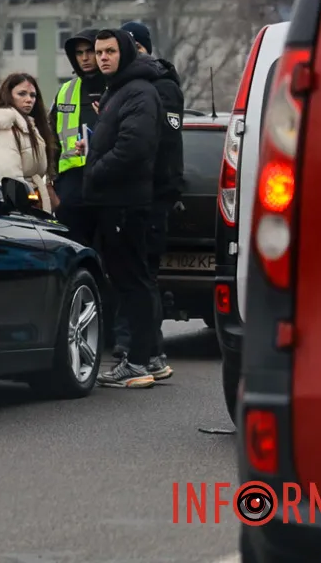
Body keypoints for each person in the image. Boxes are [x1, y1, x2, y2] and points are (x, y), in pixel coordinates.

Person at [78, 28, 164, 388]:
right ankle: (145, 360)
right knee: (132, 281)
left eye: (110, 51)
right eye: (99, 52)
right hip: (116, 200)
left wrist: (96, 169)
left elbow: (134, 146)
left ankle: (140, 362)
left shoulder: (139, 91)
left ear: (124, 52)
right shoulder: (120, 89)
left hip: (125, 203)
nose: (102, 58)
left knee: (133, 283)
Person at [115, 20, 184, 380]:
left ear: (139, 47)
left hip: (151, 196)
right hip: (145, 194)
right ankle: (146, 351)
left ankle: (144, 353)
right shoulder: (141, 85)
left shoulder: (160, 87)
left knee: (142, 276)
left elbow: (163, 147)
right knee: (138, 275)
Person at [0, 72, 58, 213]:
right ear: (8, 95)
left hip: (32, 206)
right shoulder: (3, 129)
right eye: (22, 94)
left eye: (33, 95)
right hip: (18, 212)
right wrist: (28, 204)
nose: (29, 100)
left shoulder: (29, 126)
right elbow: (9, 181)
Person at [49, 28, 106, 247]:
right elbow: (51, 136)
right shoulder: (66, 90)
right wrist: (52, 182)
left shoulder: (117, 88)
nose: (84, 58)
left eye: (89, 51)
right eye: (79, 53)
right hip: (71, 186)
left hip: (105, 180)